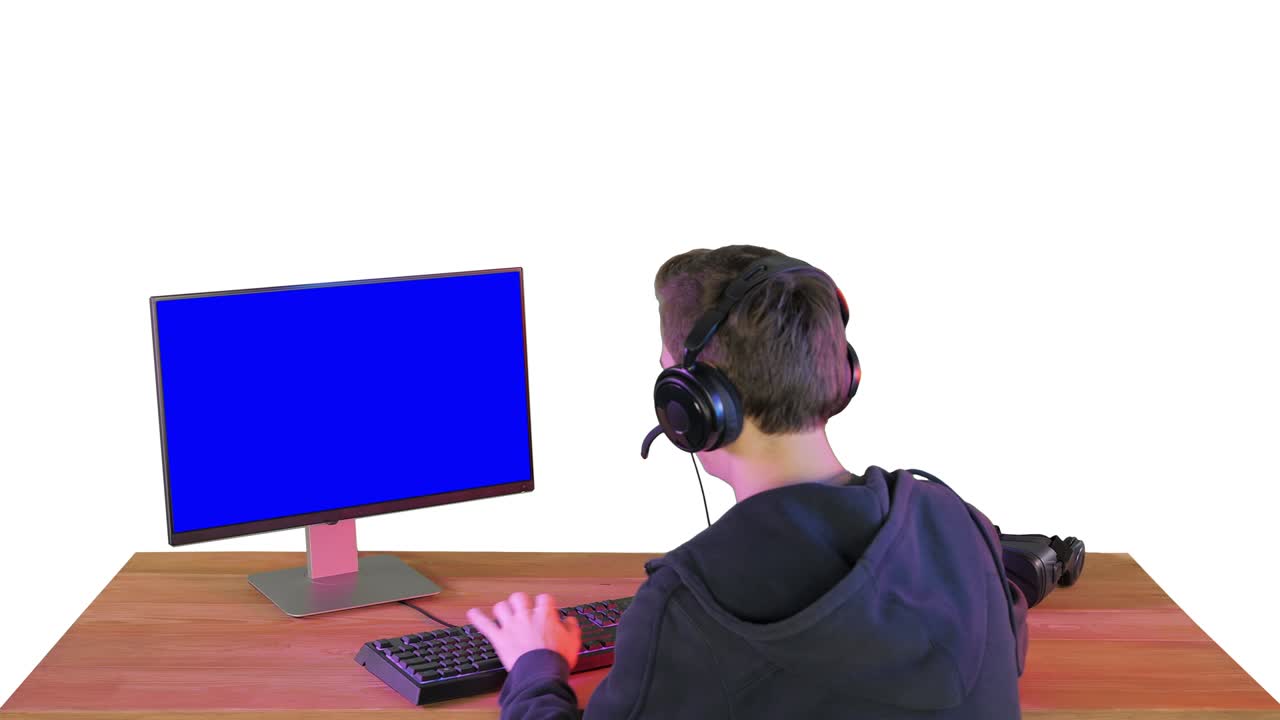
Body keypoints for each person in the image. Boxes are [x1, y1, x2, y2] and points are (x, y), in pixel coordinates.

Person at [467, 245, 1084, 719]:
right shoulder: (957, 527)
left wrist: (535, 667)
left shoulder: (687, 607)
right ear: (843, 374)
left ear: (690, 405)